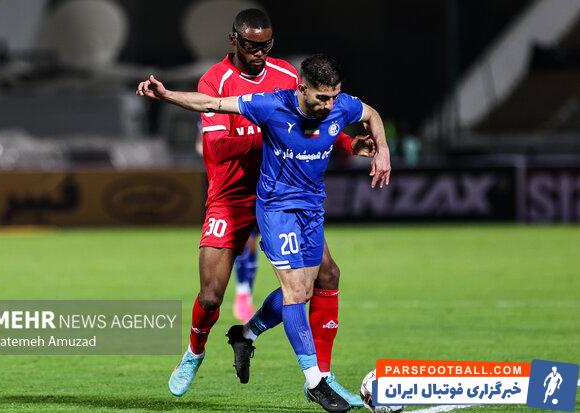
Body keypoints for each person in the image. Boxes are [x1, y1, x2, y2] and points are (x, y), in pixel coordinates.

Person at [137, 54, 390, 413]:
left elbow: (370, 114)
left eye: (333, 97)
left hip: (310, 209)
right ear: (302, 89)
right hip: (266, 206)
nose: (329, 105)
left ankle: (248, 333)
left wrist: (381, 151)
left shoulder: (334, 103)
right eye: (322, 98)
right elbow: (211, 105)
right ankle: (312, 381)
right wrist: (165, 95)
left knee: (317, 282)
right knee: (226, 295)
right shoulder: (266, 103)